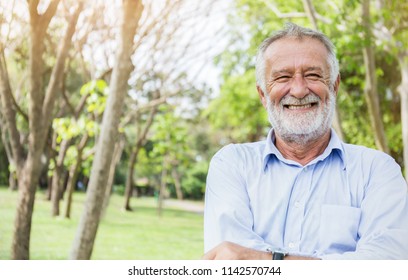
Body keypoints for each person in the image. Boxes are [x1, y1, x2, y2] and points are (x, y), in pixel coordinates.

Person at [202, 23, 408, 260]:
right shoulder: (232, 164)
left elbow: (388, 265)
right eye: (283, 77)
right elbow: (230, 263)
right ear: (263, 95)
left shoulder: (378, 170)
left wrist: (263, 259)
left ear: (334, 86)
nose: (299, 90)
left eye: (312, 75)